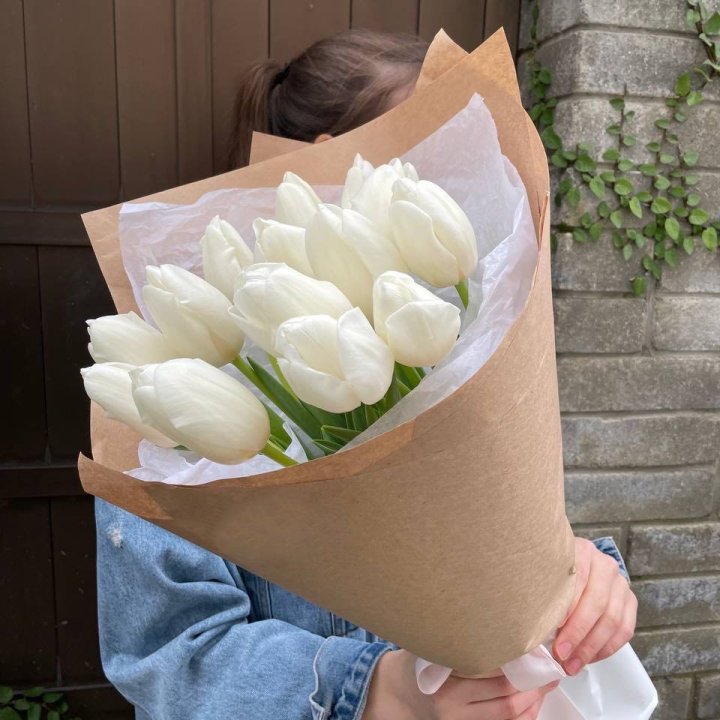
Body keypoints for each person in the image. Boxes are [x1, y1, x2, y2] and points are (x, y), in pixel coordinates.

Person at [96, 30, 637, 720]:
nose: (466, 185)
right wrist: (380, 690)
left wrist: (588, 582)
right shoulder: (173, 377)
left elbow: (516, 532)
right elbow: (168, 656)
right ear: (332, 164)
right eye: (439, 153)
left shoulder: (464, 332)